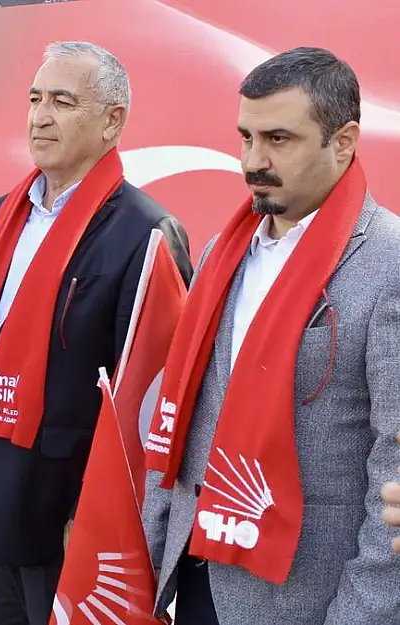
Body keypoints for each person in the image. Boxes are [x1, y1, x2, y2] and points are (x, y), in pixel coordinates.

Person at [142, 47, 400, 625]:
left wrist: (361, 615)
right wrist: (155, 551)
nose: (254, 161)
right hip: (195, 573)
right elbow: (186, 412)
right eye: (246, 138)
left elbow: (396, 469)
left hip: (308, 599)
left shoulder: (390, 266)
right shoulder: (221, 253)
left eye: (279, 139)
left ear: (344, 141)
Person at [0, 41, 191, 625]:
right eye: (34, 98)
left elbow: (149, 397)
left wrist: (99, 509)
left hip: (72, 518)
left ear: (112, 121)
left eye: (62, 101)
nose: (40, 115)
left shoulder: (146, 234)